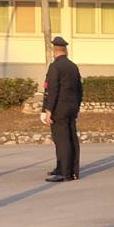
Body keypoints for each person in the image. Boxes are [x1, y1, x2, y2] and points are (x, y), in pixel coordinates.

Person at [41, 35, 82, 183]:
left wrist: (48, 110)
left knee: (61, 140)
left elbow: (53, 90)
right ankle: (72, 171)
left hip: (59, 109)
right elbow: (79, 89)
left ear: (55, 50)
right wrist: (77, 106)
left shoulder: (55, 67)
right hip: (71, 108)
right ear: (65, 50)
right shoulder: (73, 66)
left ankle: (64, 173)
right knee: (71, 139)